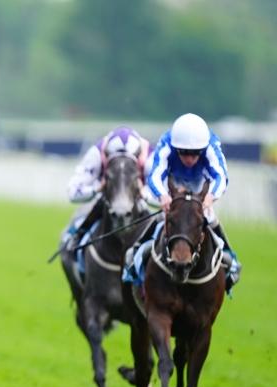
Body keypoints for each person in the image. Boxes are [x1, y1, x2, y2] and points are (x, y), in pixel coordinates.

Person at [145, 112, 241, 288]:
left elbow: (221, 176)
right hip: (172, 187)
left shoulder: (211, 145)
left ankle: (230, 259)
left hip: (200, 189)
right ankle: (136, 253)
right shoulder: (166, 143)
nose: (189, 159)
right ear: (176, 148)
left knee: (209, 218)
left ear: (203, 149)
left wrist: (210, 197)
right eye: (183, 153)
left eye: (195, 154)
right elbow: (155, 175)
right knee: (161, 218)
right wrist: (162, 195)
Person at [65, 126, 151, 249]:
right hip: (106, 198)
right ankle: (74, 238)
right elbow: (73, 193)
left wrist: (144, 193)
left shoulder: (150, 155)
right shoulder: (96, 153)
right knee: (84, 212)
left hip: (139, 201)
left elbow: (164, 198)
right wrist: (97, 189)